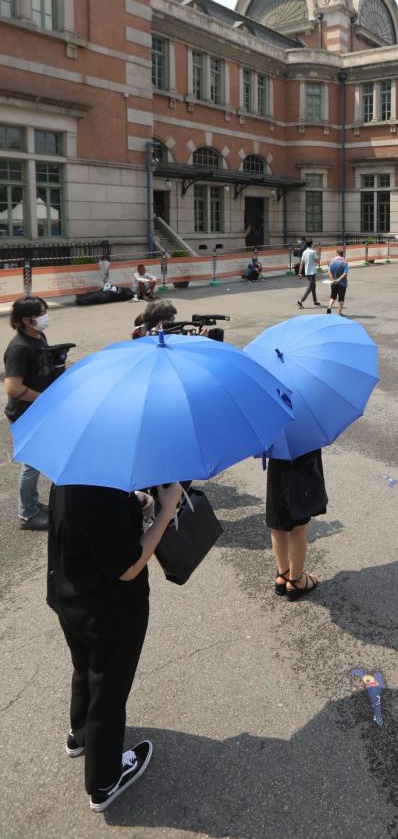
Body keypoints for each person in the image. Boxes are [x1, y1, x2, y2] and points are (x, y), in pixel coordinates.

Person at [47, 480, 182, 811]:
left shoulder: (73, 472)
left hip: (70, 598)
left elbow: (88, 522)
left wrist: (133, 500)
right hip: (109, 613)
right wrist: (166, 512)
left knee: (86, 668)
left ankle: (81, 735)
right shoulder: (97, 491)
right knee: (109, 689)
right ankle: (104, 781)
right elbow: (128, 566)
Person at [4, 296, 63, 530]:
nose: (45, 316)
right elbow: (12, 387)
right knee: (32, 463)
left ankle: (33, 505)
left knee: (38, 460)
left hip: (41, 410)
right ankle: (27, 514)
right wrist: (44, 398)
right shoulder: (19, 348)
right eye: (41, 313)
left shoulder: (39, 337)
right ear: (27, 320)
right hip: (26, 413)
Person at [266, 448, 327, 601]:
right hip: (302, 453)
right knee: (299, 524)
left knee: (278, 522)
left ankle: (283, 574)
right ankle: (296, 581)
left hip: (277, 455)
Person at [296, 240, 321, 309]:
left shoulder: (304, 252)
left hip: (307, 272)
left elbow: (301, 263)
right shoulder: (313, 252)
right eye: (313, 244)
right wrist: (317, 254)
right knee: (310, 287)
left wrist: (299, 272)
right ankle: (300, 301)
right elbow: (318, 262)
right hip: (312, 272)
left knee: (313, 286)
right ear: (311, 245)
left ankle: (315, 301)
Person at [327, 248, 349, 314]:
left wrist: (333, 280)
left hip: (333, 283)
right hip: (342, 283)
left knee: (332, 296)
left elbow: (329, 272)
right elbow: (345, 274)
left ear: (337, 254)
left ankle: (329, 307)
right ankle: (339, 312)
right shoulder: (345, 263)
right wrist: (338, 280)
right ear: (342, 255)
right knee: (341, 298)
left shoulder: (332, 262)